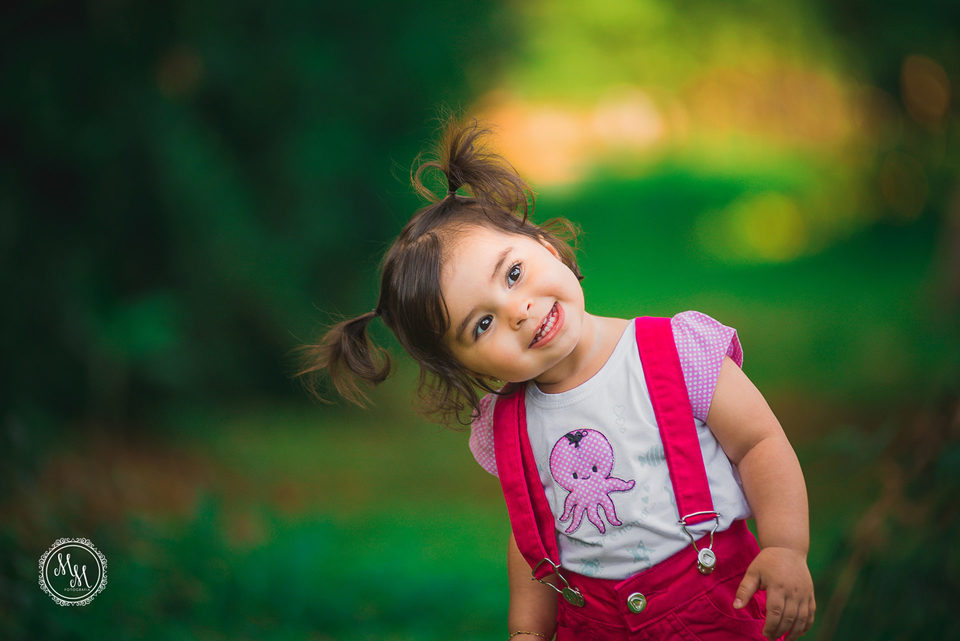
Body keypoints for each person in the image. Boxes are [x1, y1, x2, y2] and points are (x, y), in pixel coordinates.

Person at [298, 118, 815, 641]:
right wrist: (527, 630)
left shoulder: (675, 353)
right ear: (469, 366)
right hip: (592, 625)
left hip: (714, 607)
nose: (517, 311)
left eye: (513, 274)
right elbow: (533, 536)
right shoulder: (508, 425)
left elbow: (759, 444)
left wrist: (785, 547)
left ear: (544, 243)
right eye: (482, 324)